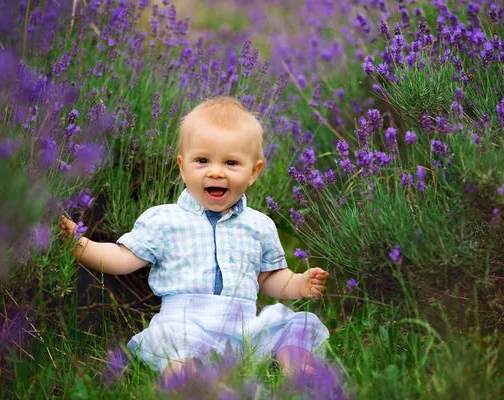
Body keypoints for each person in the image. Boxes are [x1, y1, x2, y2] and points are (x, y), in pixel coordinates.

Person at [59, 96, 330, 386]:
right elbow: (122, 257)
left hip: (244, 326)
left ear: (253, 172)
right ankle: (193, 384)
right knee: (178, 356)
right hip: (184, 325)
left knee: (288, 328)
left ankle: (301, 373)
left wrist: (298, 283)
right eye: (202, 160)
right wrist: (80, 244)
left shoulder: (259, 225)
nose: (215, 171)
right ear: (182, 166)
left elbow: (269, 278)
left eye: (231, 162)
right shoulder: (164, 220)